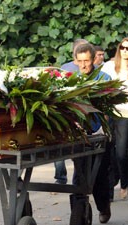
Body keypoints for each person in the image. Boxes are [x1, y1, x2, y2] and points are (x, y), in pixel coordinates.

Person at [73, 43, 112, 223]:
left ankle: (103, 207)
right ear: (75, 61)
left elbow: (108, 107)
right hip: (77, 134)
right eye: (80, 61)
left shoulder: (103, 78)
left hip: (98, 133)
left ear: (94, 59)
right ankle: (78, 212)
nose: (83, 65)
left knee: (99, 175)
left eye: (86, 61)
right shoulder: (70, 79)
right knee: (79, 175)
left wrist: (104, 128)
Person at [101, 37, 128, 200]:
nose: (125, 51)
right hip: (110, 112)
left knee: (122, 152)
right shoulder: (109, 66)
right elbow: (102, 88)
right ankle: (109, 189)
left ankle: (125, 183)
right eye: (122, 48)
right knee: (108, 151)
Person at [55, 38, 89, 184]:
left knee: (79, 154)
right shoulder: (65, 68)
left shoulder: (94, 71)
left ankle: (78, 182)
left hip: (83, 117)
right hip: (68, 114)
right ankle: (61, 176)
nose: (83, 63)